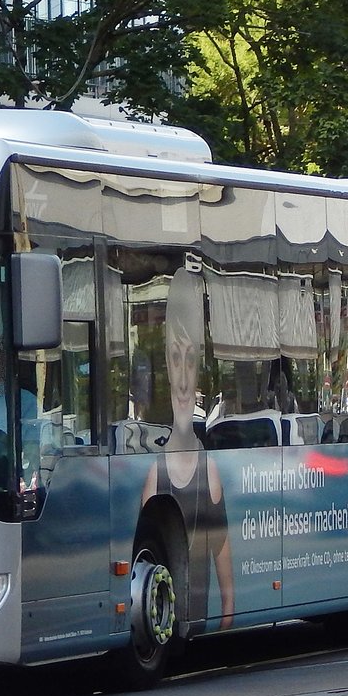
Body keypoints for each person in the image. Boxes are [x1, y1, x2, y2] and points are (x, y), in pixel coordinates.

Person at [141, 267, 235, 630]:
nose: (182, 379)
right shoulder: (154, 476)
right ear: (166, 365)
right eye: (175, 358)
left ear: (199, 371)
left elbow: (228, 597)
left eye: (191, 359)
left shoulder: (209, 470)